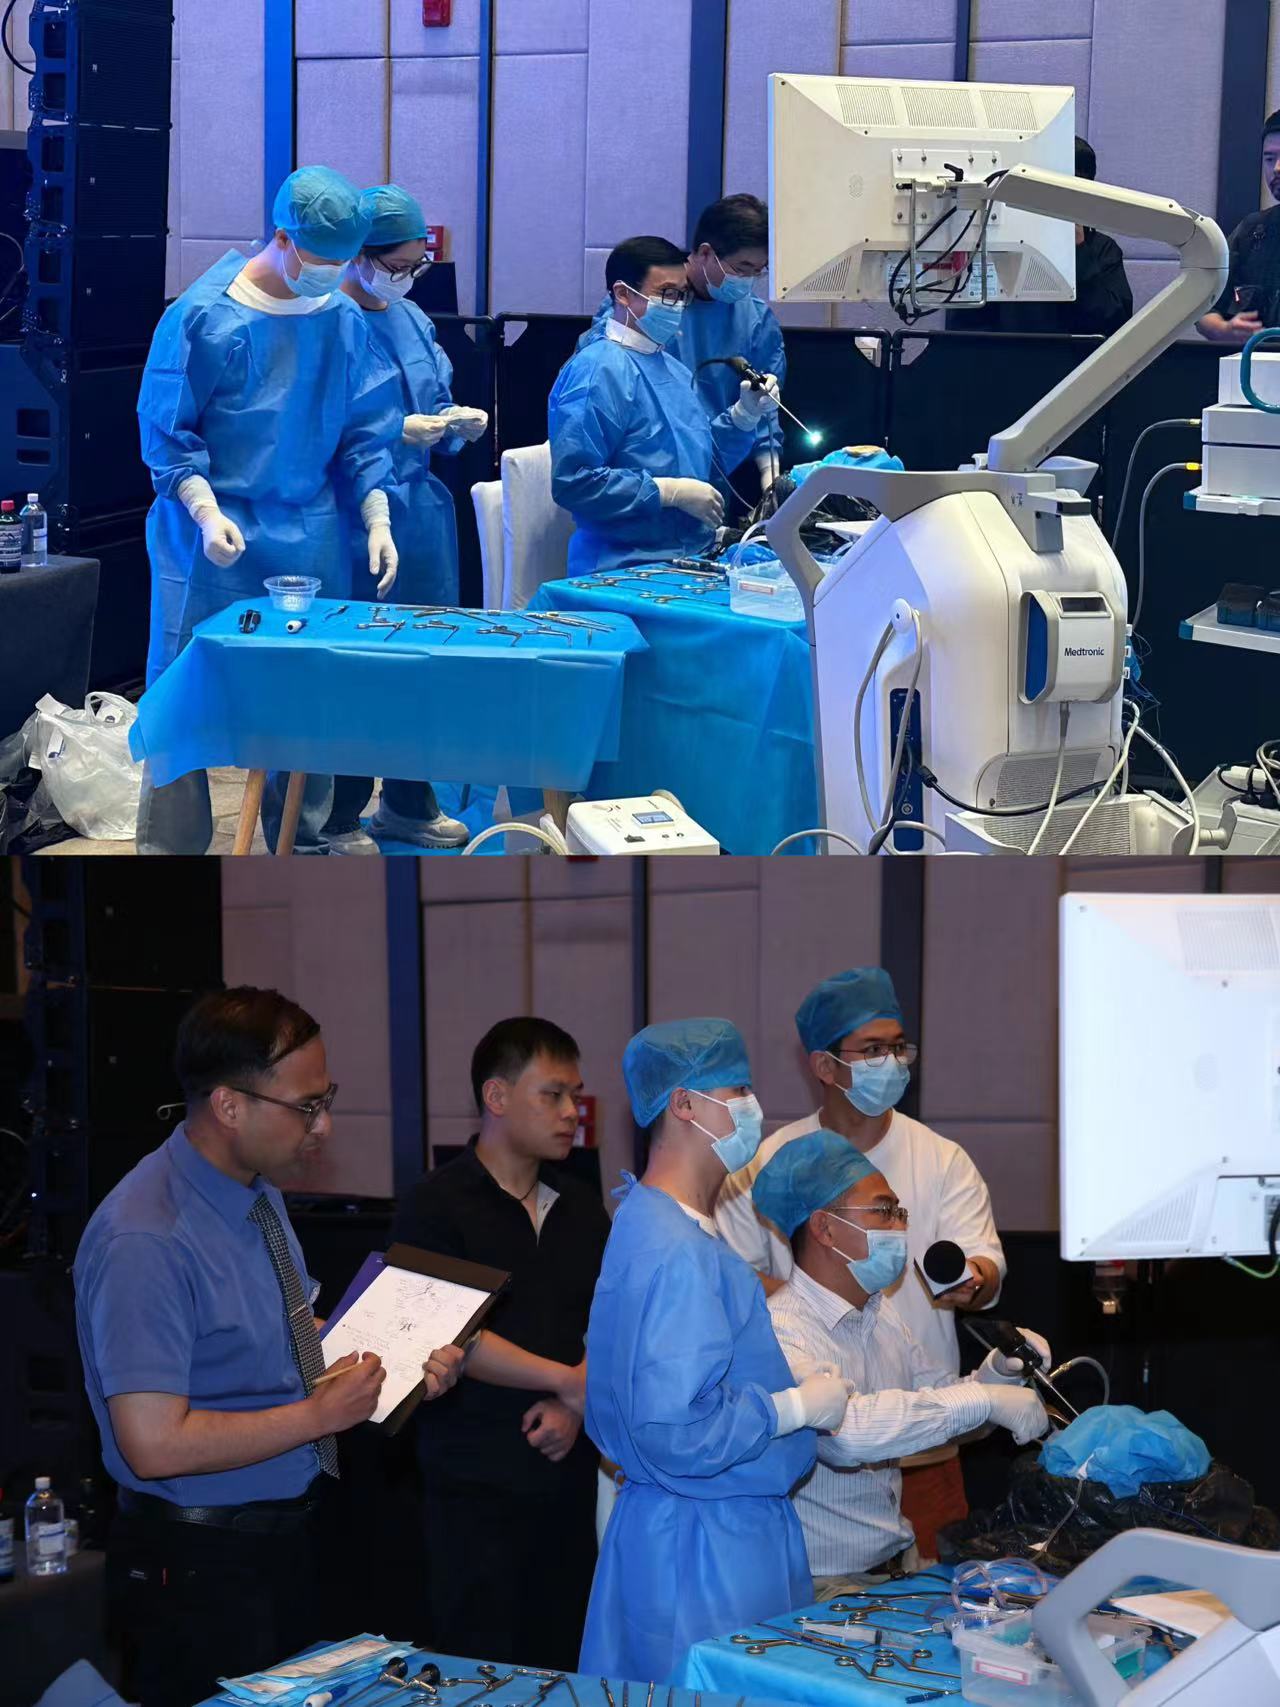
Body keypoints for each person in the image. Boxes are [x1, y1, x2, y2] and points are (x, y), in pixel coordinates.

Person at [72, 987, 465, 1707]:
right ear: (229, 1105)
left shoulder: (254, 1192)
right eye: (306, 1106)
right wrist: (320, 1416)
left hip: (280, 1541)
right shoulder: (146, 1237)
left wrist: (399, 1361)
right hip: (196, 1566)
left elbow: (283, 1338)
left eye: (326, 1100)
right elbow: (152, 1444)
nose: (324, 1126)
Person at [135, 166, 403, 857]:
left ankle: (301, 839)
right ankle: (170, 851)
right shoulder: (203, 317)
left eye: (344, 262)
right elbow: (167, 430)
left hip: (309, 532)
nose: (333, 275)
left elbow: (364, 428)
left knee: (307, 689)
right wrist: (202, 508)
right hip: (207, 537)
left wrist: (376, 513)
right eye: (322, 260)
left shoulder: (339, 317)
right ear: (281, 238)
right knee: (184, 693)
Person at [579, 1018, 848, 1684]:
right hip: (704, 1550)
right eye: (739, 1090)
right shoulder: (676, 1249)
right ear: (683, 1103)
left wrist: (783, 1384)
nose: (754, 1106)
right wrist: (790, 1408)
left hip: (694, 1528)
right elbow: (675, 1426)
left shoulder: (656, 1222)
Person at [714, 967, 1006, 1560]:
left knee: (926, 1586)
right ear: (824, 1066)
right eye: (872, 1050)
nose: (891, 1062)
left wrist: (975, 1290)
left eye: (899, 1047)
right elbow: (728, 1272)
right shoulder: (771, 1161)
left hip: (927, 1440)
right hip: (815, 1450)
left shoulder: (941, 1159)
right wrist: (820, 1303)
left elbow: (985, 1262)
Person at [391, 1018, 610, 1670]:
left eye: (576, 1096)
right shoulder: (436, 1204)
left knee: (566, 1662)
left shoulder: (581, 1206)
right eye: (553, 1094)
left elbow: (609, 1318)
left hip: (568, 1479)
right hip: (474, 1486)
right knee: (480, 1667)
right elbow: (447, 1332)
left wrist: (574, 1403)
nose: (571, 1113)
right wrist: (567, 1380)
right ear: (496, 1096)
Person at [756, 1130, 1050, 1596]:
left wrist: (997, 1375)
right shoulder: (781, 1328)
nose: (899, 1228)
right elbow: (846, 1434)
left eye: (900, 1212)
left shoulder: (882, 1314)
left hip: (896, 1564)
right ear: (825, 1228)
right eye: (883, 1211)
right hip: (821, 1585)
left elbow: (943, 1408)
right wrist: (983, 1398)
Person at [319, 184, 489, 855]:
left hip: (420, 513)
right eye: (397, 266)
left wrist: (451, 423)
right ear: (358, 256)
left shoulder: (411, 318)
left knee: (421, 660)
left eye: (419, 264)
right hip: (353, 517)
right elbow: (318, 428)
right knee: (358, 667)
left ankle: (408, 802)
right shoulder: (325, 323)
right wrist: (395, 432)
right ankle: (337, 815)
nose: (408, 277)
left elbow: (433, 395)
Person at [549, 236, 779, 576]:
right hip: (619, 567)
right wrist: (667, 492)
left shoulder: (672, 368)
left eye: (682, 295)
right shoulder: (597, 371)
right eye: (666, 294)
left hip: (688, 555)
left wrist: (744, 416)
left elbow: (704, 466)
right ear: (623, 294)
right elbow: (574, 483)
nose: (677, 306)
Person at [579, 194, 786, 501]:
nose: (750, 280)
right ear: (705, 252)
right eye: (743, 267)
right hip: (632, 489)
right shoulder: (636, 315)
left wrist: (771, 477)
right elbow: (583, 465)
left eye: (759, 270)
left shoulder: (754, 319)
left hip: (711, 481)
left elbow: (764, 412)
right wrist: (665, 491)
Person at [961, 138, 1132, 337]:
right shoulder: (997, 245)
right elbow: (965, 328)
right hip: (1006, 355)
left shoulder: (1102, 250)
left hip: (1077, 356)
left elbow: (1115, 326)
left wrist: (1078, 251)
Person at [1200, 110, 1280, 344]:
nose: (1276, 168)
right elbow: (1203, 310)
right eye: (1269, 159)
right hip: (1252, 363)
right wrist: (1224, 330)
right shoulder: (1252, 232)